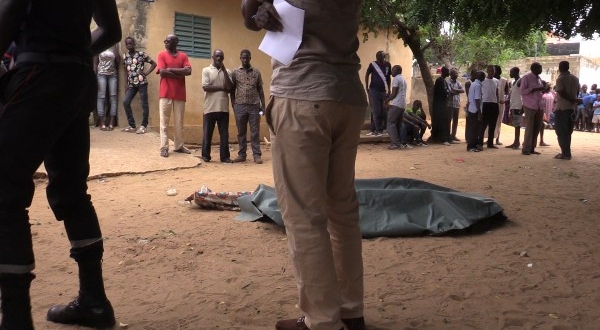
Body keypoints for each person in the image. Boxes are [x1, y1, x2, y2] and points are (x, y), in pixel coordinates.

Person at [242, 1, 367, 330]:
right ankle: (351, 310)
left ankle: (323, 320)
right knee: (342, 211)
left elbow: (249, 16)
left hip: (301, 94)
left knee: (304, 215)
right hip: (347, 96)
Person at [0, 0, 121, 329]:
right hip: (76, 78)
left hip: (39, 72)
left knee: (5, 190)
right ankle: (94, 299)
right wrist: (77, 50)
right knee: (71, 190)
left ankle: (15, 317)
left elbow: (12, 7)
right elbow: (111, 29)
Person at [156, 34, 192, 158]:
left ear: (176, 42)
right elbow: (162, 72)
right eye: (165, 40)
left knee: (179, 122)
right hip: (165, 93)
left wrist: (170, 69)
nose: (165, 41)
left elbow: (188, 71)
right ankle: (164, 147)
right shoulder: (161, 55)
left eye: (168, 40)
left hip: (180, 94)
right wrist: (179, 73)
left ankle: (179, 146)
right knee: (164, 122)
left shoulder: (183, 56)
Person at [231, 49, 265, 164]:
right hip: (239, 106)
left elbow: (260, 89)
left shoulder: (256, 72)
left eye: (247, 57)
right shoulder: (235, 72)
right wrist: (234, 105)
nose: (245, 59)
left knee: (255, 131)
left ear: (250, 58)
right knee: (241, 131)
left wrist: (263, 106)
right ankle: (242, 154)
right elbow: (232, 90)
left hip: (254, 106)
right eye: (243, 58)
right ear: (240, 58)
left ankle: (256, 155)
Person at [201, 49, 234, 163]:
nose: (219, 58)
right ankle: (205, 156)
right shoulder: (206, 70)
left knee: (224, 134)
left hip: (223, 108)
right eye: (217, 56)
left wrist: (224, 69)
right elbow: (206, 87)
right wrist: (221, 88)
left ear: (223, 58)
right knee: (207, 133)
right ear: (213, 57)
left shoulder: (228, 72)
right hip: (209, 107)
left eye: (221, 56)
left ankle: (225, 157)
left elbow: (229, 87)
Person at [122, 36, 157, 134]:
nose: (129, 45)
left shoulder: (141, 54)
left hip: (142, 83)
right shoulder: (125, 56)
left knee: (144, 104)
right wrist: (126, 84)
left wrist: (146, 73)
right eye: (127, 44)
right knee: (125, 102)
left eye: (131, 43)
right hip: (131, 84)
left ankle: (143, 126)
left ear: (134, 44)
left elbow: (154, 64)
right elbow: (125, 70)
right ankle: (132, 125)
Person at [553, 60, 580, 160]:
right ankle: (566, 152)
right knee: (568, 131)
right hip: (572, 108)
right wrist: (574, 100)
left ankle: (565, 153)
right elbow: (576, 92)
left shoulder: (560, 79)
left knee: (561, 131)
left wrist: (571, 100)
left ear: (560, 68)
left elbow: (561, 92)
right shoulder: (575, 79)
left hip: (562, 108)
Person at [519, 62, 545, 156]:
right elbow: (522, 91)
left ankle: (532, 148)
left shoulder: (539, 78)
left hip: (539, 106)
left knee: (537, 127)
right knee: (530, 128)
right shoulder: (526, 77)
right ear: (534, 68)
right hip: (530, 105)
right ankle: (526, 149)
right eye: (540, 68)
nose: (541, 70)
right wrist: (533, 89)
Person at [365, 50, 391, 136]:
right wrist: (366, 87)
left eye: (380, 56)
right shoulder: (373, 64)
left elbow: (388, 78)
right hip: (374, 90)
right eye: (377, 56)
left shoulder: (388, 65)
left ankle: (384, 128)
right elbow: (367, 74)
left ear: (384, 57)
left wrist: (389, 89)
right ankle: (377, 130)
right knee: (376, 111)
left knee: (384, 110)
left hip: (384, 91)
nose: (379, 58)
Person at [94, 44, 120, 131]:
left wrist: (115, 48)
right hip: (101, 74)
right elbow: (95, 63)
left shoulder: (113, 46)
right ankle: (102, 122)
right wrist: (94, 77)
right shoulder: (99, 46)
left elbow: (118, 60)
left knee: (113, 97)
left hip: (113, 75)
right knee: (101, 97)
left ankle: (112, 122)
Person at [384, 65, 407, 149]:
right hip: (403, 104)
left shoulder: (396, 79)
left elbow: (394, 94)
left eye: (393, 70)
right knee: (398, 124)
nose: (391, 72)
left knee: (390, 123)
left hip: (396, 103)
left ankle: (395, 143)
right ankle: (399, 142)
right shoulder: (403, 79)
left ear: (397, 71)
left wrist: (386, 101)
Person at [479, 65, 499, 149]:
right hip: (485, 103)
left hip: (494, 104)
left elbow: (497, 92)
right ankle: (480, 142)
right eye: (490, 70)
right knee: (483, 125)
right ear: (487, 71)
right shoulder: (483, 81)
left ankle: (490, 143)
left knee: (493, 125)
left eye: (493, 71)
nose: (491, 72)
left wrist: (497, 101)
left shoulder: (496, 81)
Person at [432, 66, 451, 145]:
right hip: (440, 105)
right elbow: (442, 93)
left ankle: (447, 138)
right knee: (442, 122)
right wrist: (448, 93)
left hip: (444, 105)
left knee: (446, 121)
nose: (448, 73)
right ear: (443, 72)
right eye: (447, 71)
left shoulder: (444, 81)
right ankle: (442, 139)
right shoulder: (439, 80)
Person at [505, 67, 523, 150]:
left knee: (517, 125)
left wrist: (522, 106)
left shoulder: (520, 81)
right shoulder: (513, 82)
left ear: (516, 72)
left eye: (511, 72)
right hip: (513, 105)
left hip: (518, 105)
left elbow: (523, 94)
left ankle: (517, 143)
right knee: (515, 124)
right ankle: (515, 142)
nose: (510, 74)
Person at [466, 71, 484, 152]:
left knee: (473, 128)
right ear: (482, 78)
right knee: (475, 129)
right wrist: (479, 113)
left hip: (471, 109)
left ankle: (473, 145)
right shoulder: (477, 85)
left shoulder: (473, 84)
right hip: (475, 110)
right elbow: (477, 99)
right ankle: (471, 147)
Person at [491, 65, 508, 145]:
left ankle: (497, 139)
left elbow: (507, 92)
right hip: (492, 103)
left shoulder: (504, 80)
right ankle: (490, 138)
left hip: (500, 104)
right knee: (491, 121)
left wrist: (504, 100)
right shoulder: (491, 80)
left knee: (499, 121)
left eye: (493, 70)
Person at [447, 68, 464, 142]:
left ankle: (453, 135)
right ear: (451, 74)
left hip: (456, 104)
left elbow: (462, 90)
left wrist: (455, 90)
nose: (456, 75)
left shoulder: (458, 83)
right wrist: (457, 91)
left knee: (456, 121)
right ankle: (448, 136)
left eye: (457, 73)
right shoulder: (448, 82)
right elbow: (450, 92)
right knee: (449, 121)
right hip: (450, 104)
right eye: (454, 73)